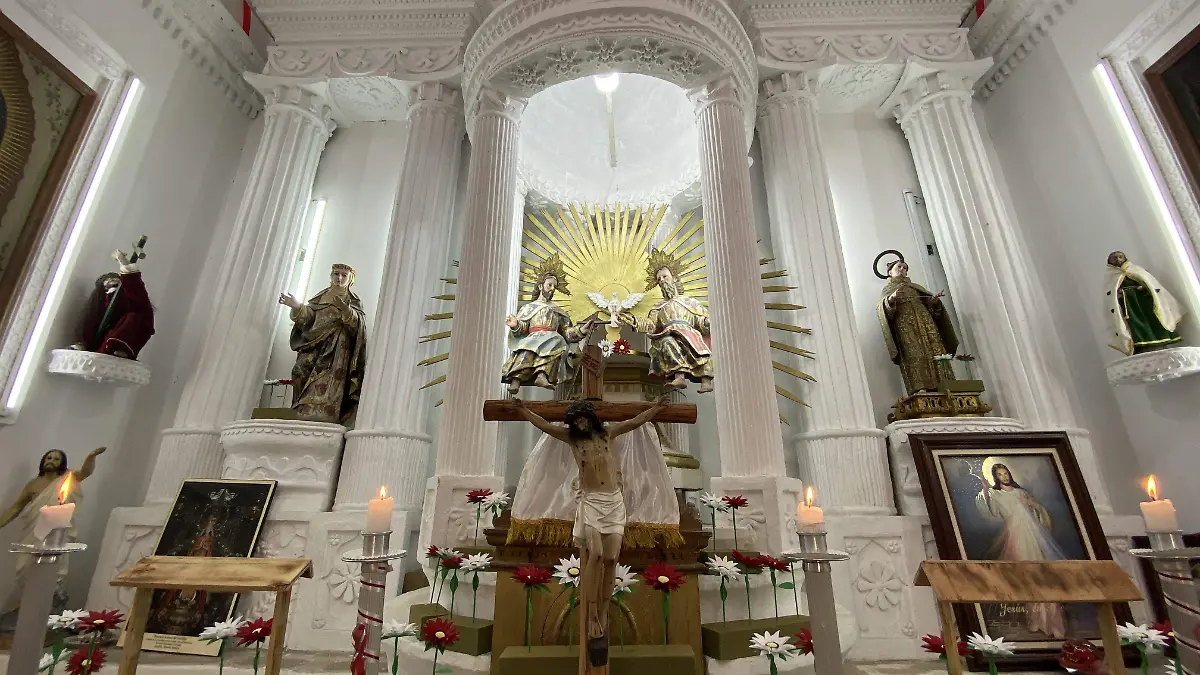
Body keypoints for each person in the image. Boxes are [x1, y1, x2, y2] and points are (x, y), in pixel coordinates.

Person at [510, 396, 668, 666]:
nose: (580, 423)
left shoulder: (608, 433)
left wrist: (655, 408)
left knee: (611, 559)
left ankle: (604, 611)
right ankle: (592, 611)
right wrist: (524, 410)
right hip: (592, 502)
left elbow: (635, 421)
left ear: (590, 418)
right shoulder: (572, 439)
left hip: (613, 502)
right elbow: (545, 426)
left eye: (583, 418)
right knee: (594, 554)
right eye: (575, 420)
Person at [0, 447, 105, 616]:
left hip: (55, 531)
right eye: (49, 458)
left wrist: (91, 457)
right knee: (23, 567)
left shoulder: (68, 478)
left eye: (56, 459)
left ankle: (48, 606)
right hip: (34, 531)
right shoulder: (33, 484)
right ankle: (28, 602)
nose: (51, 461)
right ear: (43, 460)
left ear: (62, 463)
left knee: (53, 569)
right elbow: (16, 507)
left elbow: (85, 472)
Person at [974, 461, 1067, 638]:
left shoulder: (1021, 492)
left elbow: (1041, 515)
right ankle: (1035, 620)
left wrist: (1032, 504)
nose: (1004, 477)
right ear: (996, 477)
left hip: (1034, 536)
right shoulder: (995, 494)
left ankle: (1052, 623)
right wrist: (985, 493)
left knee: (1042, 576)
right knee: (1027, 577)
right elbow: (992, 514)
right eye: (1000, 475)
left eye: (1006, 473)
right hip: (1017, 537)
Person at [279, 263, 367, 423]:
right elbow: (308, 320)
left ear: (350, 279)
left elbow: (358, 327)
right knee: (300, 371)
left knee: (329, 380)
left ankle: (326, 412)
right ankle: (303, 409)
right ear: (331, 276)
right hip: (314, 345)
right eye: (336, 273)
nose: (339, 278)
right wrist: (298, 307)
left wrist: (347, 311)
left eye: (344, 275)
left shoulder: (352, 300)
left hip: (338, 348)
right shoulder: (320, 297)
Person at [502, 253, 597, 394]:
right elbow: (523, 328)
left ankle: (542, 375)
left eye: (554, 286)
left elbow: (566, 332)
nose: (552, 288)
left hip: (552, 337)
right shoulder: (529, 307)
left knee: (558, 342)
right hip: (533, 336)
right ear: (541, 286)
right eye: (549, 285)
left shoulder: (557, 311)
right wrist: (516, 325)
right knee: (525, 350)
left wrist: (581, 330)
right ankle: (516, 380)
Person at [621, 248, 713, 392]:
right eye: (659, 279)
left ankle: (706, 380)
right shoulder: (659, 307)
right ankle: (679, 377)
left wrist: (707, 323)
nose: (662, 281)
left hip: (689, 334)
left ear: (674, 278)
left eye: (665, 276)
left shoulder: (689, 302)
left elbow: (700, 320)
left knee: (700, 348)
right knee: (666, 342)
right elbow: (651, 325)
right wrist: (634, 320)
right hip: (669, 334)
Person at [875, 251, 958, 394]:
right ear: (889, 272)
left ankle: (946, 385)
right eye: (899, 267)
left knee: (936, 352)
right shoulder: (888, 290)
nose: (902, 270)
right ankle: (920, 388)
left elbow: (935, 311)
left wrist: (934, 302)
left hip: (927, 324)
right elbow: (882, 310)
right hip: (906, 327)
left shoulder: (916, 287)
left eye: (905, 268)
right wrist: (891, 299)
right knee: (914, 355)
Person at [70, 249, 155, 358]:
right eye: (108, 286)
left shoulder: (131, 299)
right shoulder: (100, 303)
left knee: (132, 319)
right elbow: (89, 321)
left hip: (124, 337)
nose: (112, 290)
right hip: (103, 343)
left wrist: (124, 263)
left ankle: (120, 350)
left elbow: (136, 290)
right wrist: (82, 343)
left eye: (115, 285)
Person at [1105, 251, 1185, 355]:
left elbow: (1151, 285)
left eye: (1120, 257)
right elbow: (1111, 297)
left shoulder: (1136, 270)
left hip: (1145, 303)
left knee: (1153, 320)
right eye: (1114, 258)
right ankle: (1142, 346)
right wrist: (1121, 294)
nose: (1118, 260)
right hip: (1130, 308)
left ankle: (1160, 341)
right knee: (1136, 326)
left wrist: (1144, 288)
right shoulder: (1111, 277)